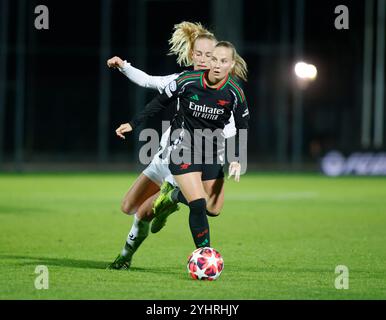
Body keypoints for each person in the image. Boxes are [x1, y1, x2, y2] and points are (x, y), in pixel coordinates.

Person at [106, 22, 235, 270]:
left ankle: (125, 256)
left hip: (187, 162)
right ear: (191, 55)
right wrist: (124, 66)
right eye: (199, 54)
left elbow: (229, 130)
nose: (204, 60)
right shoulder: (182, 80)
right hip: (162, 159)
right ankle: (168, 202)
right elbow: (148, 81)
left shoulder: (223, 92)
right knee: (128, 207)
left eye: (210, 55)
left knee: (150, 213)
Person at [122, 41, 249, 250]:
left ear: (232, 64)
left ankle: (172, 195)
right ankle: (204, 254)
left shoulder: (234, 93)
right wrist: (133, 123)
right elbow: (159, 101)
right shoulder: (187, 81)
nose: (216, 64)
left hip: (210, 154)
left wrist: (236, 158)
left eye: (222, 60)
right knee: (197, 204)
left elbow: (242, 125)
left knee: (213, 209)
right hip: (183, 151)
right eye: (213, 59)